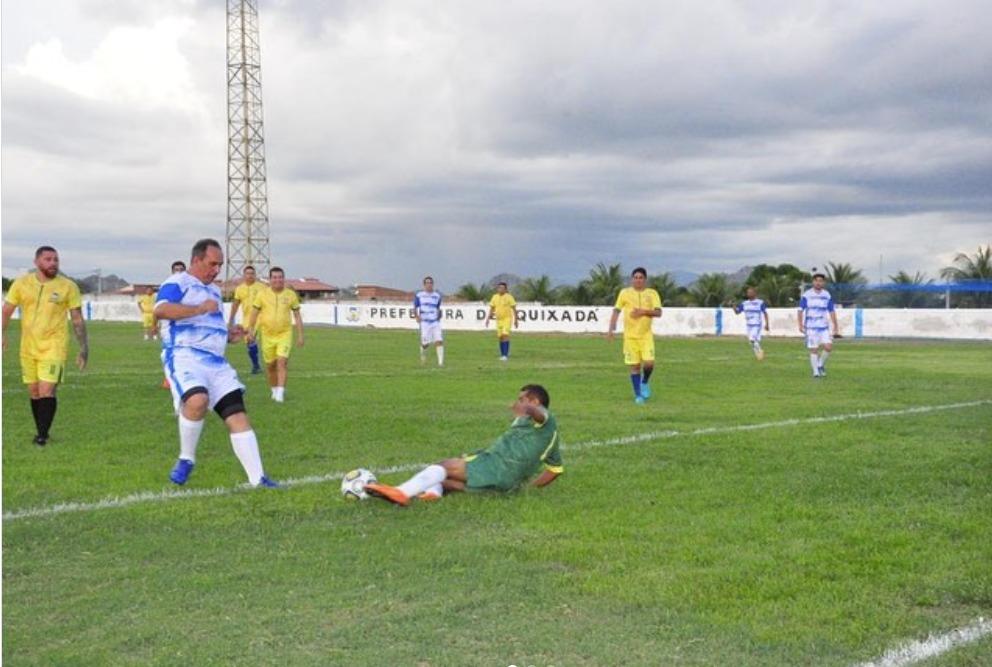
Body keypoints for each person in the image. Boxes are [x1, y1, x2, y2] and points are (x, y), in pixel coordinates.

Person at [154, 238, 278, 487]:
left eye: (219, 265)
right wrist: (199, 309)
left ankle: (258, 479)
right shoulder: (177, 283)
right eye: (212, 264)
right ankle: (186, 458)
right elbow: (161, 310)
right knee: (197, 400)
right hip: (184, 355)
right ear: (196, 259)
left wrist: (229, 334)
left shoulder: (213, 290)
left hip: (216, 363)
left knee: (237, 415)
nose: (216, 270)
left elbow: (212, 324)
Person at [365, 384, 562, 506]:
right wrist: (529, 488)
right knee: (445, 481)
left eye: (522, 399)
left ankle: (402, 492)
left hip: (496, 466)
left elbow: (539, 413)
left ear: (535, 401)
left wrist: (528, 408)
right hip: (507, 485)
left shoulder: (544, 417)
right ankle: (432, 494)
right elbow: (555, 470)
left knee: (445, 465)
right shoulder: (550, 436)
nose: (518, 403)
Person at [2, 245, 89, 446]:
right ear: (37, 262)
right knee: (34, 392)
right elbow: (6, 311)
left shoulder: (68, 286)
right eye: (48, 259)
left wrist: (84, 348)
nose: (53, 263)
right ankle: (42, 430)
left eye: (56, 260)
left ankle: (41, 436)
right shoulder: (21, 284)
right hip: (28, 347)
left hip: (54, 346)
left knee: (47, 391)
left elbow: (76, 319)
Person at [245, 267, 304, 403]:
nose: (278, 280)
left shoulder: (290, 295)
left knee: (282, 363)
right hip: (267, 335)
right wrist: (250, 331)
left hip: (284, 334)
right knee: (271, 366)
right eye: (275, 277)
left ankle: (280, 394)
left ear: (283, 278)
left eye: (280, 277)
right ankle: (274, 390)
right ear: (270, 279)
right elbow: (254, 314)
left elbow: (297, 315)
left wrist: (300, 335)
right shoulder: (262, 295)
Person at [607, 267, 662, 404]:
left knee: (649, 364)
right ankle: (638, 396)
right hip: (630, 337)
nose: (638, 280)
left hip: (646, 336)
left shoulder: (652, 293)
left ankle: (644, 382)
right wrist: (611, 329)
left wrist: (643, 312)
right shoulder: (624, 293)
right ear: (632, 279)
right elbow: (617, 310)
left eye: (640, 277)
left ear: (645, 280)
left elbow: (658, 313)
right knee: (635, 367)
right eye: (635, 277)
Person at [797, 271, 839, 378]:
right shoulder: (807, 295)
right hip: (811, 327)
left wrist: (835, 325)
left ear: (823, 283)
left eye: (821, 281)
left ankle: (820, 365)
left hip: (823, 327)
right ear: (813, 282)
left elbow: (831, 311)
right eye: (816, 281)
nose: (818, 283)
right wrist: (800, 325)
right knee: (814, 349)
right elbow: (800, 310)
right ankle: (815, 373)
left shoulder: (826, 295)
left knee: (828, 347)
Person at [227, 265, 264, 374]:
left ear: (255, 275)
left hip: (261, 318)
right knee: (249, 343)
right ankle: (256, 365)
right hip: (247, 320)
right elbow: (235, 305)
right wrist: (231, 320)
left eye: (252, 273)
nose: (250, 276)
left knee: (252, 339)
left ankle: (261, 365)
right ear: (244, 275)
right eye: (247, 273)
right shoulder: (240, 289)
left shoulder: (262, 287)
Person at [160, 261, 187, 390]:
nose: (179, 272)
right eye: (176, 269)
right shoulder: (167, 286)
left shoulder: (189, 286)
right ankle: (169, 378)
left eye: (181, 269)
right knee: (169, 351)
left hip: (184, 326)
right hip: (168, 325)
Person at [413, 276, 444, 366]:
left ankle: (440, 363)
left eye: (430, 283)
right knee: (426, 343)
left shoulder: (437, 296)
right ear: (424, 285)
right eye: (427, 283)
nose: (429, 285)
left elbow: (438, 307)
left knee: (439, 340)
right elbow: (415, 307)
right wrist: (417, 316)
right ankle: (423, 354)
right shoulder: (419, 295)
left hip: (435, 321)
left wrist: (438, 315)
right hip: (425, 322)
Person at [733, 286, 770, 360]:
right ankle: (759, 355)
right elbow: (737, 312)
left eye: (750, 292)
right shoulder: (744, 303)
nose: (748, 294)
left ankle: (760, 352)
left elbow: (765, 313)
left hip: (756, 324)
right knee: (752, 341)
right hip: (748, 325)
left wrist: (767, 324)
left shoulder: (760, 303)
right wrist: (733, 307)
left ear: (754, 293)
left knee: (752, 339)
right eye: (748, 292)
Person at [485, 281, 518, 361]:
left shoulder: (509, 297)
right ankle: (502, 354)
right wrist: (488, 318)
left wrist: (516, 320)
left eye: (502, 288)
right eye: (499, 288)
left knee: (505, 335)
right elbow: (492, 308)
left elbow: (514, 309)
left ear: (506, 289)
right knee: (500, 337)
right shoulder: (494, 297)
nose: (500, 289)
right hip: (499, 320)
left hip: (507, 319)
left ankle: (505, 355)